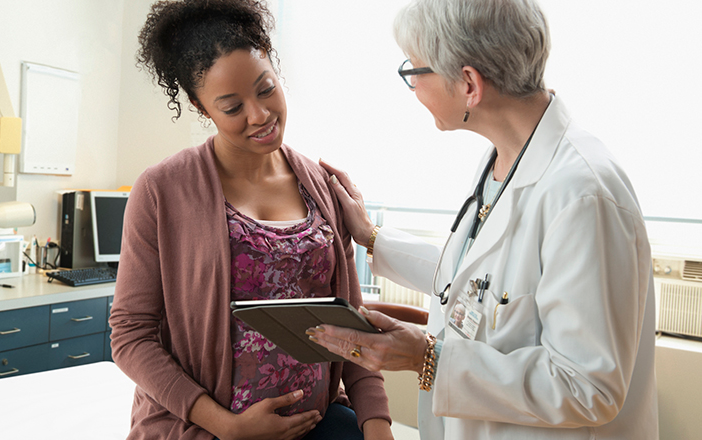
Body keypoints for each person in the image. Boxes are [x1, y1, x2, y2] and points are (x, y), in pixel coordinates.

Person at [310, 0, 659, 438]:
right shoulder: (505, 157)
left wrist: (427, 359)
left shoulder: (582, 195)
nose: (413, 88)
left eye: (415, 71)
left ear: (470, 84)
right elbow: (483, 283)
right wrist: (372, 237)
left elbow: (588, 386)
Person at [108, 1, 393, 439]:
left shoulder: (321, 184)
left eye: (265, 90)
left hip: (316, 425)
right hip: (206, 429)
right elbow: (130, 336)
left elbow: (351, 324)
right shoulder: (162, 190)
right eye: (231, 106)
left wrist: (377, 426)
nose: (259, 115)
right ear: (202, 108)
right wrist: (227, 426)